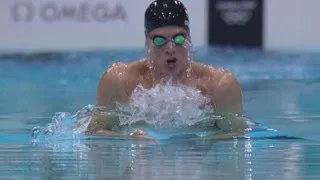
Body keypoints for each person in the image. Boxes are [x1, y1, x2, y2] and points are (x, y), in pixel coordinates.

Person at [85, 0, 249, 139]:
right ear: (147, 42)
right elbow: (95, 132)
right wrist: (127, 138)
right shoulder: (118, 81)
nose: (170, 48)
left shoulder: (219, 85)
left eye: (179, 38)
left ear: (189, 39)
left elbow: (238, 135)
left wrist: (200, 142)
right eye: (159, 40)